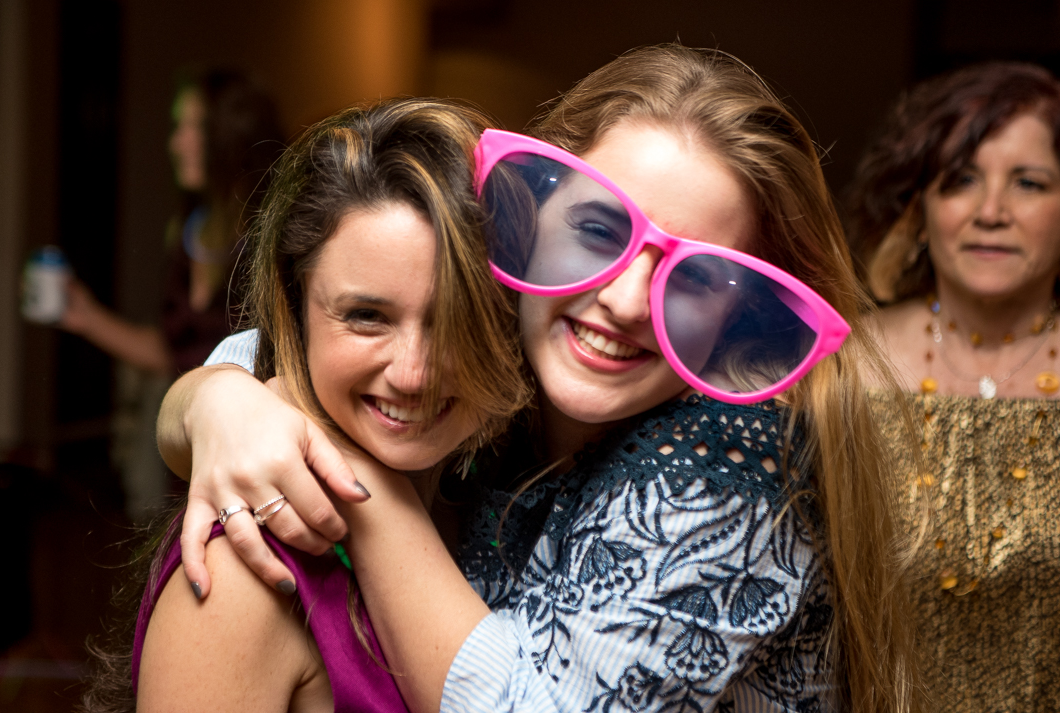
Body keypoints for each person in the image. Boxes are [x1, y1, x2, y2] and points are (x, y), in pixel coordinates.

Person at [158, 46, 918, 713]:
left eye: (694, 277)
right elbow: (306, 345)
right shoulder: (509, 361)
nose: (622, 302)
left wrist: (352, 472)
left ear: (743, 314)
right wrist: (218, 401)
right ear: (527, 212)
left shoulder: (728, 453)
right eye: (598, 230)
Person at [82, 98, 532, 713]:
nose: (414, 373)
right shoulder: (244, 573)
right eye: (367, 317)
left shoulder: (497, 507)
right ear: (295, 312)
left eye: (455, 320)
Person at [848, 61, 1060, 712]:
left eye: (1028, 183)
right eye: (960, 180)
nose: (991, 211)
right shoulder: (847, 365)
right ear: (921, 209)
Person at [55, 69, 282, 519]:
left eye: (191, 126)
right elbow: (170, 353)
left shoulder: (270, 236)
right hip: (186, 444)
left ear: (231, 132)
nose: (176, 142)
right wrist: (85, 316)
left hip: (245, 449)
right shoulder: (186, 232)